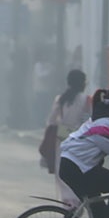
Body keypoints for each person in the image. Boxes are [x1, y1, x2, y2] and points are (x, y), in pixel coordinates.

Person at [41, 69, 92, 198]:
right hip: (80, 139)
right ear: (83, 83)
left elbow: (51, 120)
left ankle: (68, 201)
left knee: (62, 171)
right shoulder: (87, 100)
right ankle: (77, 198)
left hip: (62, 137)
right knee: (78, 169)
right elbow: (89, 120)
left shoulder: (61, 99)